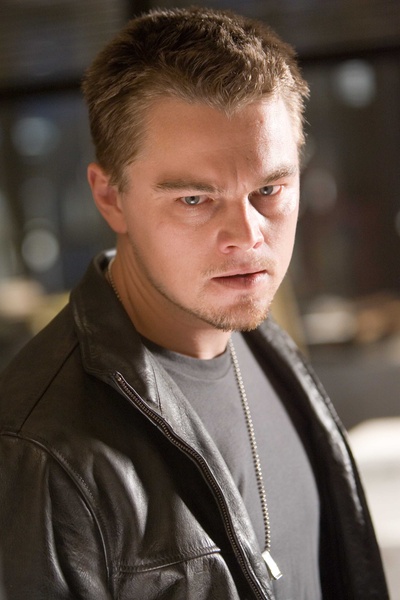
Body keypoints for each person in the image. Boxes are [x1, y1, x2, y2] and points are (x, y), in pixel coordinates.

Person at [0, 7, 389, 600]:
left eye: (269, 189)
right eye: (194, 199)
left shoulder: (266, 347)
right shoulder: (38, 454)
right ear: (111, 198)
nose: (248, 236)